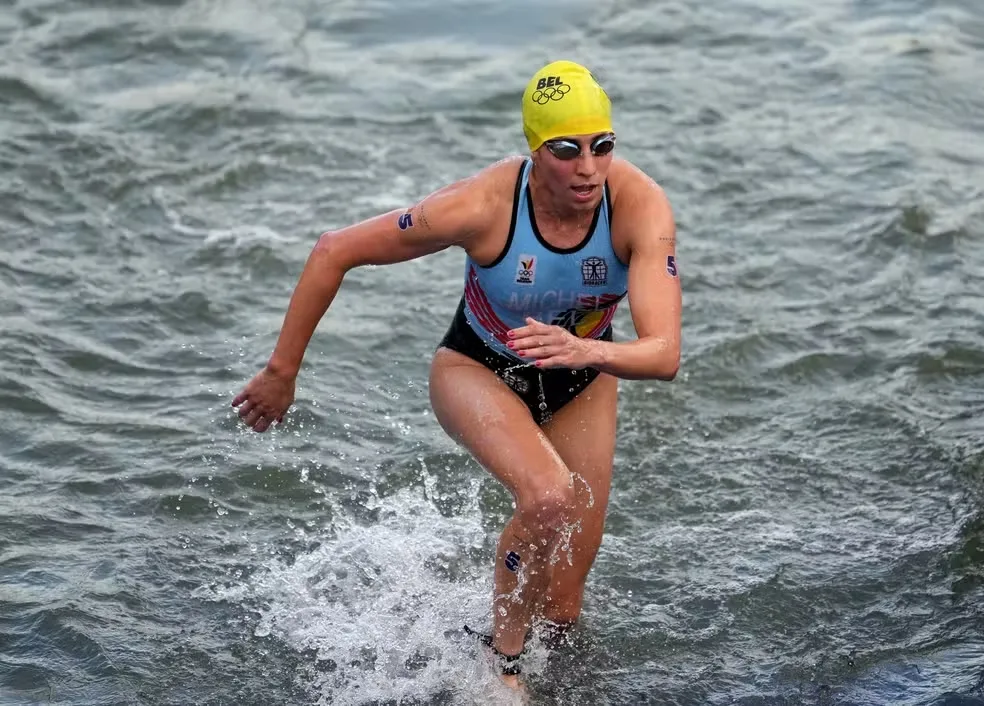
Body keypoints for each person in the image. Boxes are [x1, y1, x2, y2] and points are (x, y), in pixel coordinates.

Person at [231, 59, 682, 690]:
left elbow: (663, 354)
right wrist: (283, 372)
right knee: (550, 497)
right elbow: (335, 249)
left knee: (564, 608)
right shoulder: (480, 206)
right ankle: (500, 667)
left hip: (583, 375)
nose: (588, 168)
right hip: (478, 367)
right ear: (533, 149)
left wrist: (588, 353)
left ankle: (536, 667)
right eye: (566, 149)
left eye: (602, 146)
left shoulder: (639, 207)